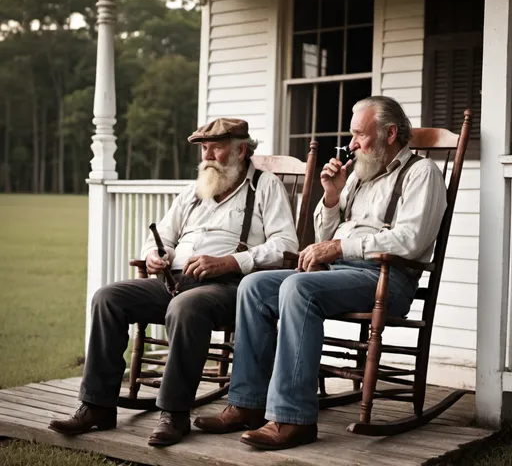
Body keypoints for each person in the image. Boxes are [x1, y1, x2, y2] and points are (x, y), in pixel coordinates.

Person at [194, 96, 448, 450]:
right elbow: (324, 238)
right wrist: (331, 198)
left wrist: (339, 248)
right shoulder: (359, 176)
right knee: (253, 286)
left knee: (299, 289)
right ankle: (248, 403)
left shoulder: (422, 173)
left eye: (360, 134)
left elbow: (411, 239)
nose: (352, 143)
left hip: (387, 279)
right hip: (339, 272)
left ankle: (292, 418)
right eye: (352, 135)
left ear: (390, 133)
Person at [49, 118, 299, 447]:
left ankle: (173, 412)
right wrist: (155, 255)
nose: (208, 156)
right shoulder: (194, 191)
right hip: (175, 280)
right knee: (107, 297)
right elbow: (162, 238)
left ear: (241, 150)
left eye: (216, 148)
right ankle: (97, 405)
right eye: (204, 148)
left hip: (231, 288)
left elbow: (285, 246)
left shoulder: (265, 187)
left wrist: (230, 260)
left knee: (185, 307)